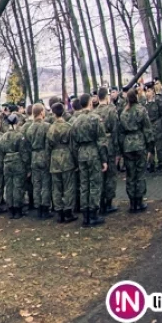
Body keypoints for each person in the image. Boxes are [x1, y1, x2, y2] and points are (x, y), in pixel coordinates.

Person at [71, 94, 108, 228]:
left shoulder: (75, 121)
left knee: (84, 184)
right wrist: (104, 159)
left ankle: (85, 214)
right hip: (93, 152)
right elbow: (101, 140)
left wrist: (77, 158)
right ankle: (93, 213)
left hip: (81, 153)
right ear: (90, 103)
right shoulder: (95, 119)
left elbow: (73, 143)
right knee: (94, 183)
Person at [118, 90, 153, 213]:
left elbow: (120, 133)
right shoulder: (141, 110)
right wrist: (150, 146)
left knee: (130, 174)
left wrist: (121, 149)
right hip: (139, 144)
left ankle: (132, 202)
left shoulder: (123, 112)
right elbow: (147, 128)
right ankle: (139, 201)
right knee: (140, 174)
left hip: (127, 145)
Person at [46, 102, 78, 223]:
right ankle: (68, 212)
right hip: (67, 157)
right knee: (69, 186)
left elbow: (47, 147)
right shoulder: (68, 127)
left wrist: (49, 160)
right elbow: (73, 146)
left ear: (53, 113)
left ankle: (59, 212)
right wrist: (76, 161)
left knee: (56, 187)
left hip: (54, 158)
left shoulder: (50, 128)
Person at [94, 87, 120, 215]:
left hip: (98, 146)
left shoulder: (94, 112)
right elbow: (115, 130)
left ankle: (101, 202)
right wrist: (117, 150)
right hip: (109, 144)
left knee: (101, 175)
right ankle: (108, 202)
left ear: (98, 97)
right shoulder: (111, 110)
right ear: (107, 96)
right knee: (110, 175)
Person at [0, 113, 29, 219]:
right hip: (17, 162)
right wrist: (27, 165)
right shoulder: (19, 135)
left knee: (9, 186)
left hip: (7, 162)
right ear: (16, 123)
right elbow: (23, 152)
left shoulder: (3, 136)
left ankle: (10, 209)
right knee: (18, 186)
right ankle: (17, 209)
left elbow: (1, 151)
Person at [24, 103, 52, 219]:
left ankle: (38, 208)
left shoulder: (29, 128)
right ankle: (45, 208)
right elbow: (49, 144)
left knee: (36, 184)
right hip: (44, 155)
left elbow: (27, 147)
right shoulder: (47, 126)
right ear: (41, 112)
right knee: (45, 183)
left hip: (34, 157)